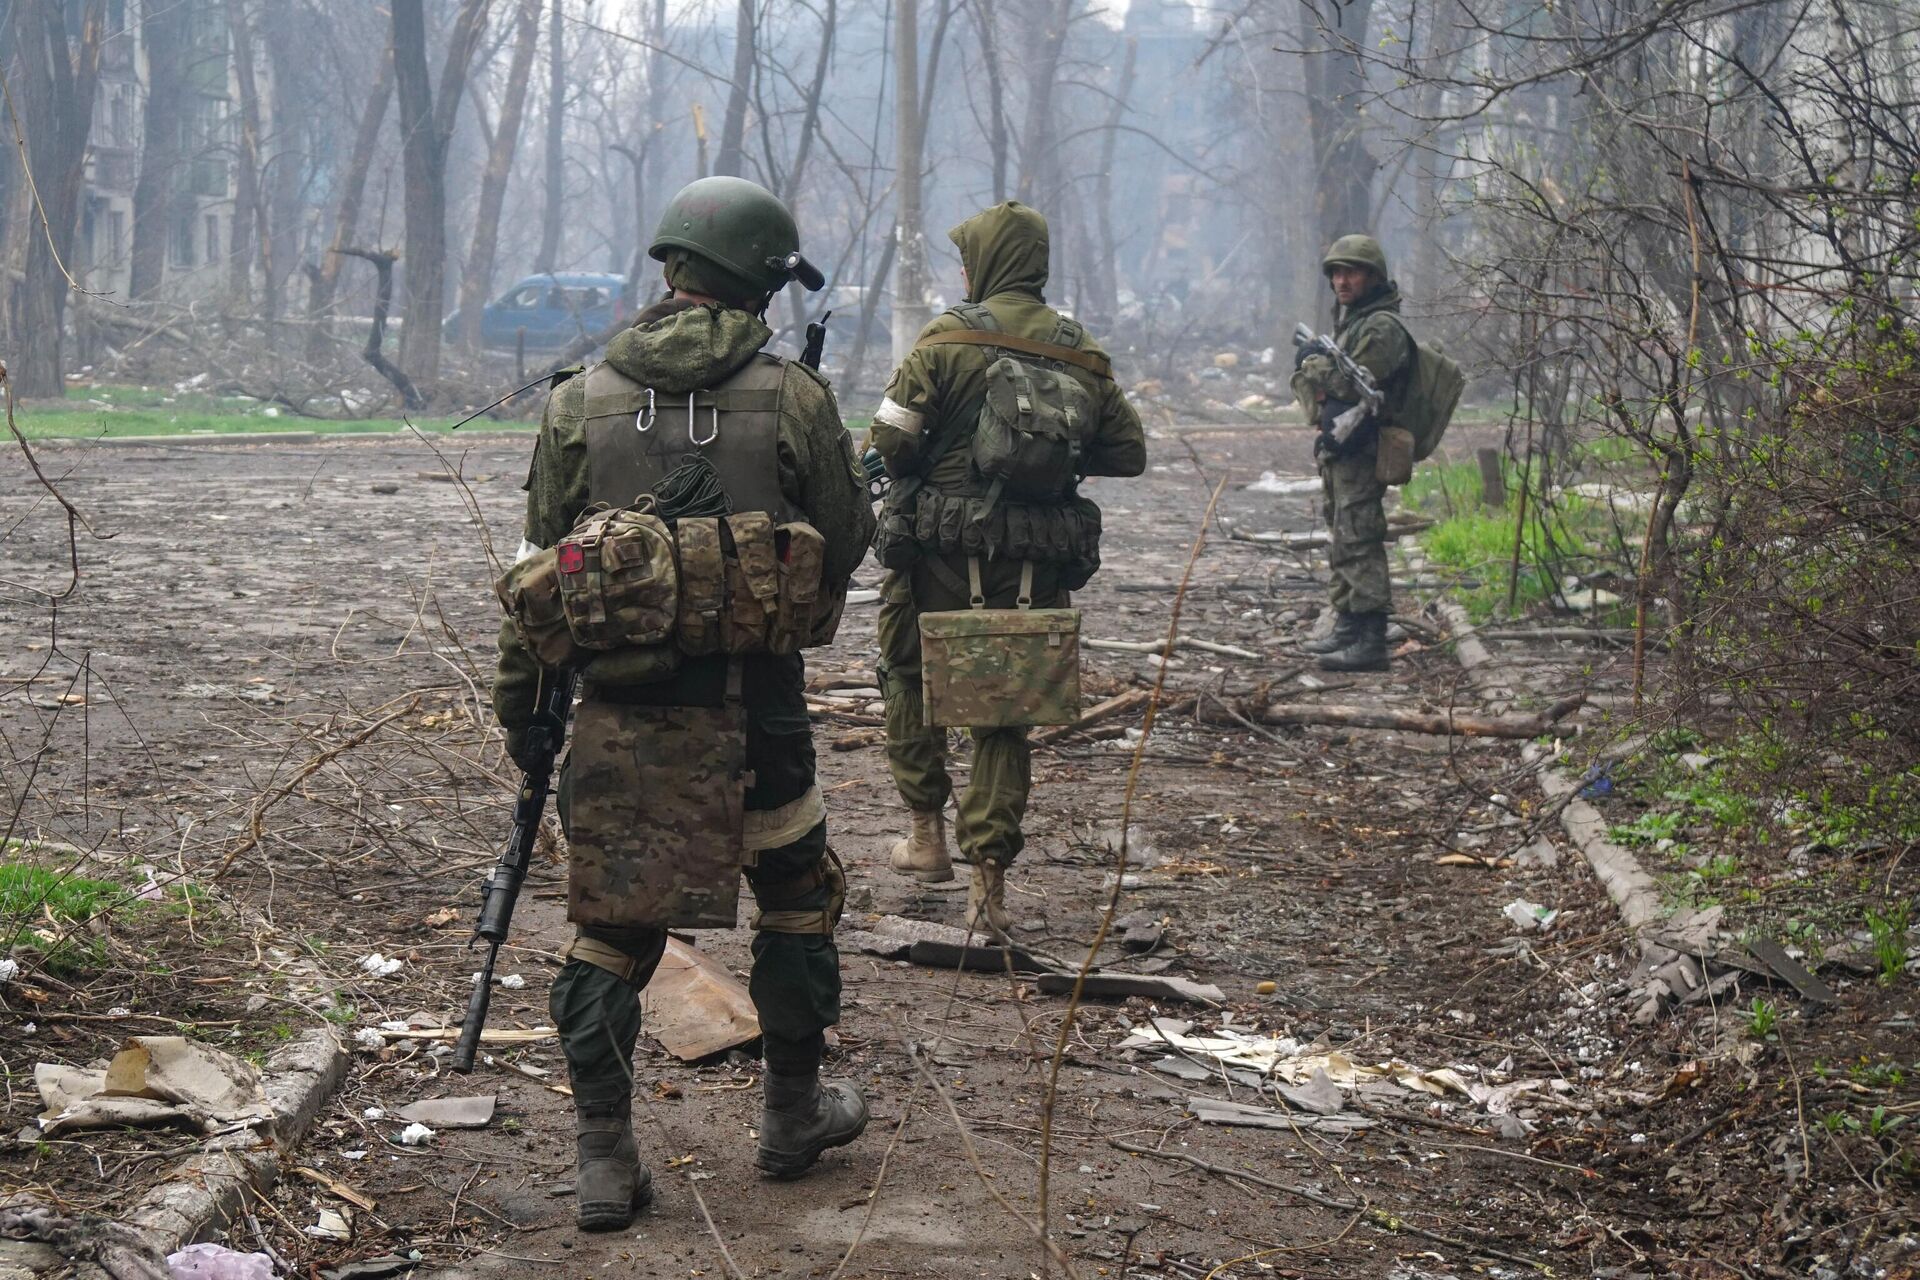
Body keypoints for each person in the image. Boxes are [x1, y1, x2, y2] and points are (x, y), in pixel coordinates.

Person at [491, 176, 876, 1230]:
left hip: (620, 717)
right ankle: (792, 1119)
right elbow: (845, 540)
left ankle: (605, 1158)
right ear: (757, 272)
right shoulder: (795, 394)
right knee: (799, 902)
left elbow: (541, 569)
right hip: (762, 715)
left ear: (671, 264)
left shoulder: (579, 396)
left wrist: (524, 713)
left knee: (612, 932)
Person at [868, 201, 1145, 935]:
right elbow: (1128, 451)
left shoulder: (945, 340)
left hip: (936, 557)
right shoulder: (1077, 348)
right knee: (1003, 717)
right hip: (1035, 563)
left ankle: (926, 837)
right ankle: (987, 888)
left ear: (984, 264)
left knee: (908, 675)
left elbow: (891, 441)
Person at [1290, 234, 1415, 673]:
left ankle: (1371, 638)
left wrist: (1312, 363)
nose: (1342, 281)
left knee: (1360, 538)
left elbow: (1350, 383)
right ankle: (1348, 624)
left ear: (1373, 276)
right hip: (1344, 446)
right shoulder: (1356, 321)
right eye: (1337, 273)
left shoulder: (1381, 327)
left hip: (1365, 447)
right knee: (1342, 536)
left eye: (1353, 272)